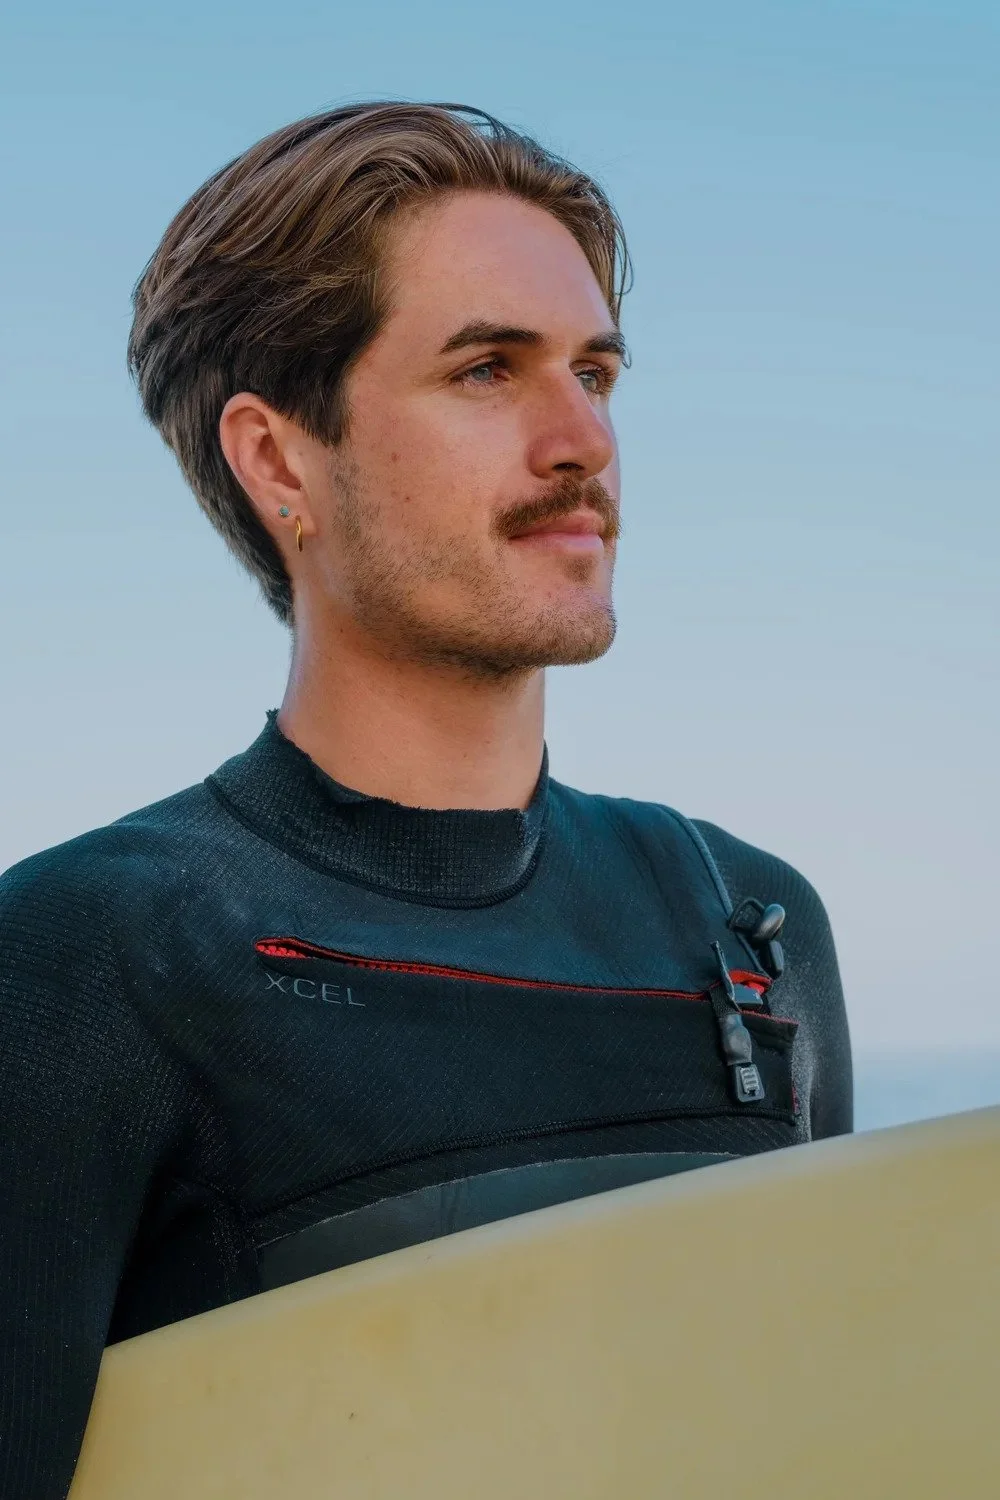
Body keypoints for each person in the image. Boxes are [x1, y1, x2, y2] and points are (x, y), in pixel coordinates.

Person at [0, 102, 852, 1498]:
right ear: (280, 461)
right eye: (485, 372)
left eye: (597, 373)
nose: (582, 439)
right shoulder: (88, 958)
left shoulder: (748, 922)